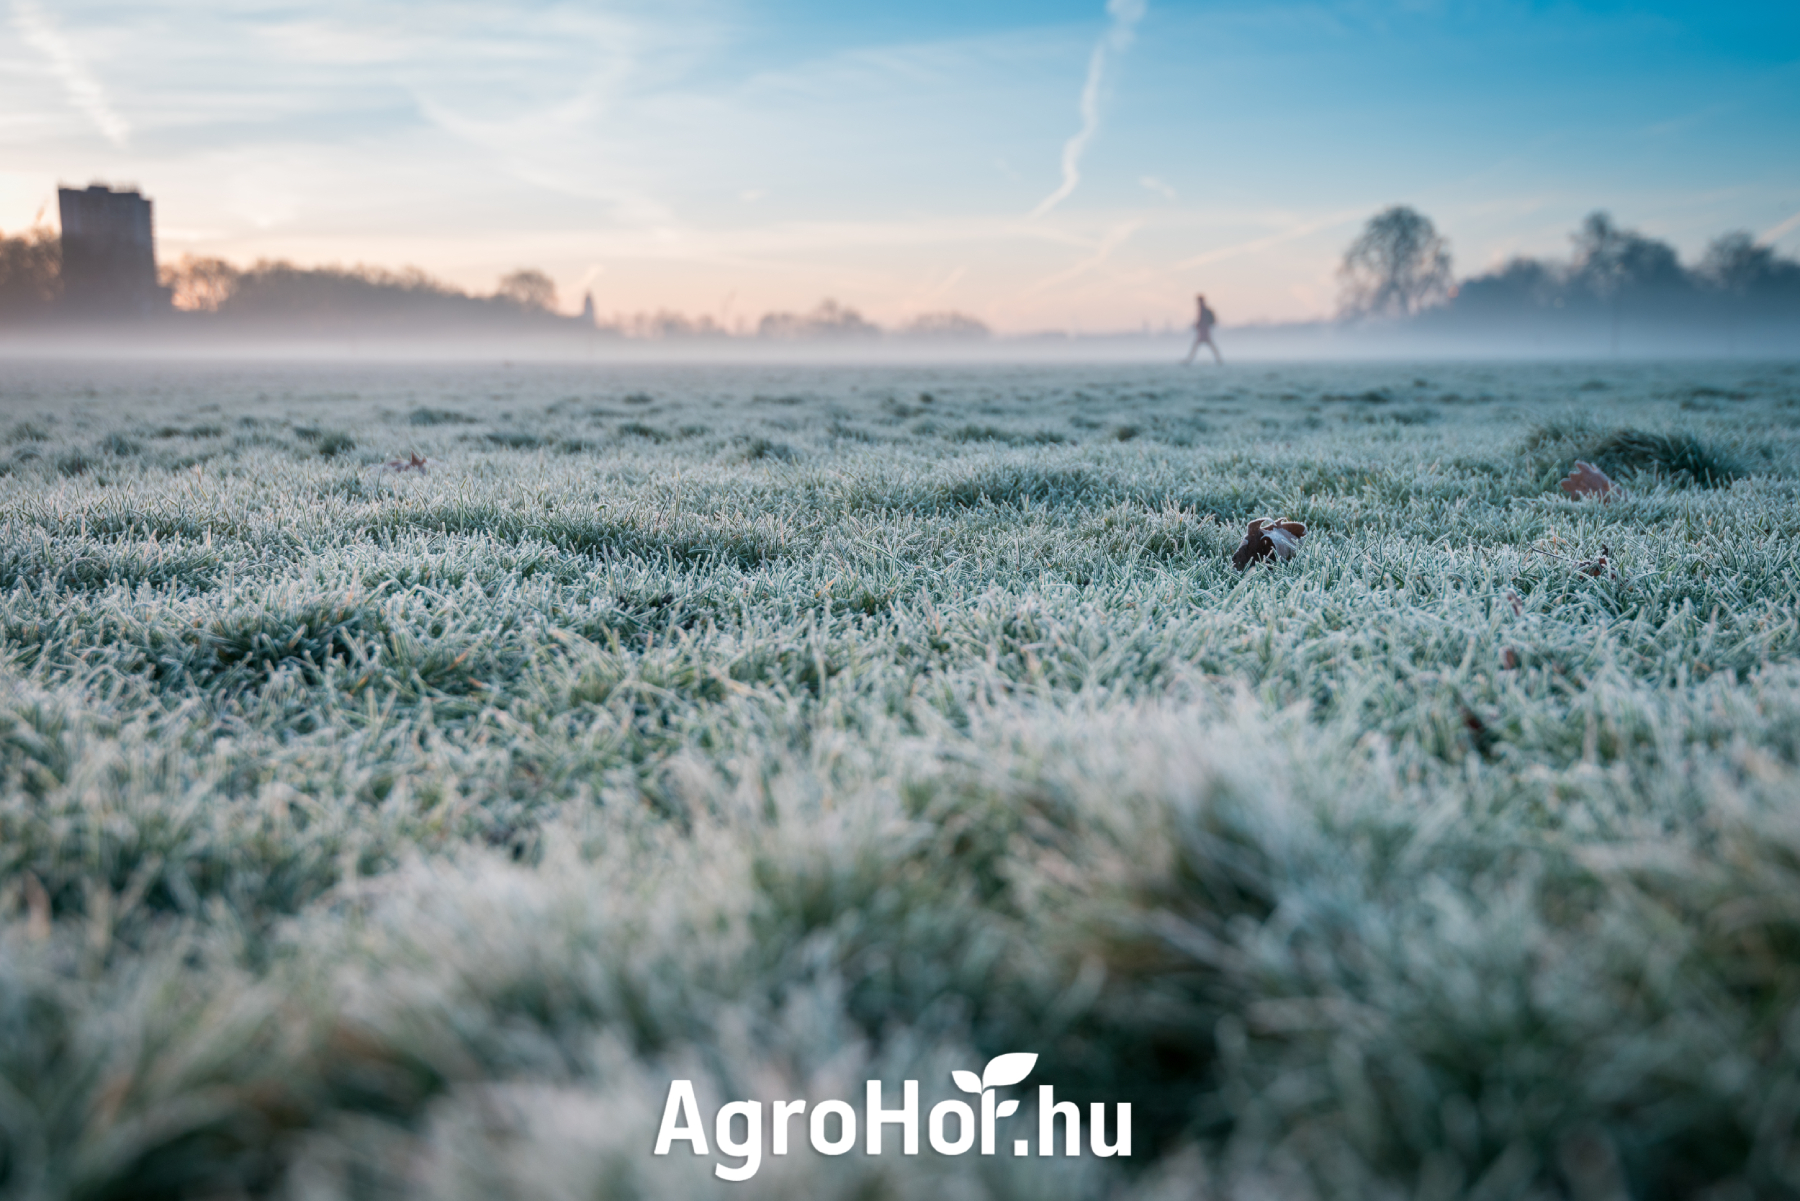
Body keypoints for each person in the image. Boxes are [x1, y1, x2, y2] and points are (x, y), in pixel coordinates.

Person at [1183, 293, 1222, 364]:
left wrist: (1198, 325)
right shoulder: (1202, 309)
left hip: (1204, 332)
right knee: (1205, 346)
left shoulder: (1203, 309)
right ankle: (1219, 360)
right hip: (1203, 331)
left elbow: (1201, 320)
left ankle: (1219, 360)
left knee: (1198, 346)